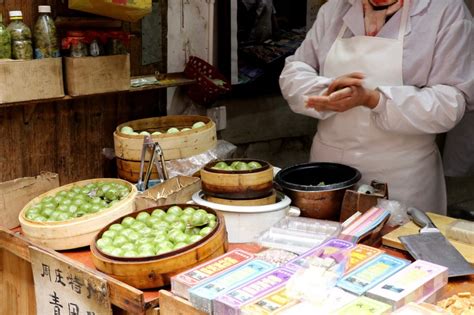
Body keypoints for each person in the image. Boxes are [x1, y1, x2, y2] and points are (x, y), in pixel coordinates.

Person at [279, 0, 473, 215]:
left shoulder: (444, 11)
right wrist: (327, 90)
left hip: (403, 177)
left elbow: (450, 103)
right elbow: (295, 70)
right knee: (328, 246)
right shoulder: (336, 7)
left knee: (395, 244)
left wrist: (375, 99)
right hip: (328, 174)